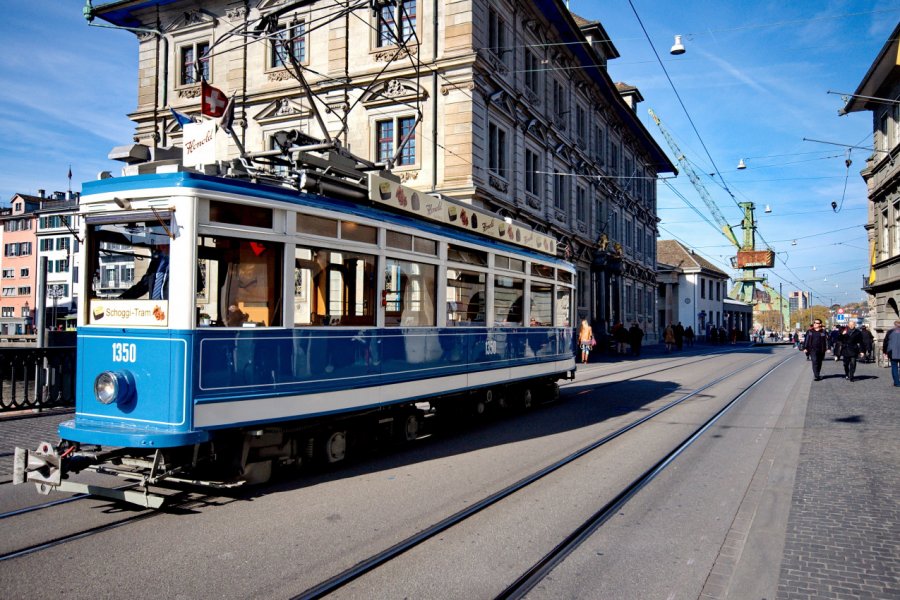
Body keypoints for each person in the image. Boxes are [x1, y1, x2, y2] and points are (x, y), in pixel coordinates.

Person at [883, 320, 900, 387]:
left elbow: (885, 342)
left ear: (894, 325)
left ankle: (896, 382)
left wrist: (884, 351)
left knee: (894, 367)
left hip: (892, 352)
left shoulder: (890, 332)